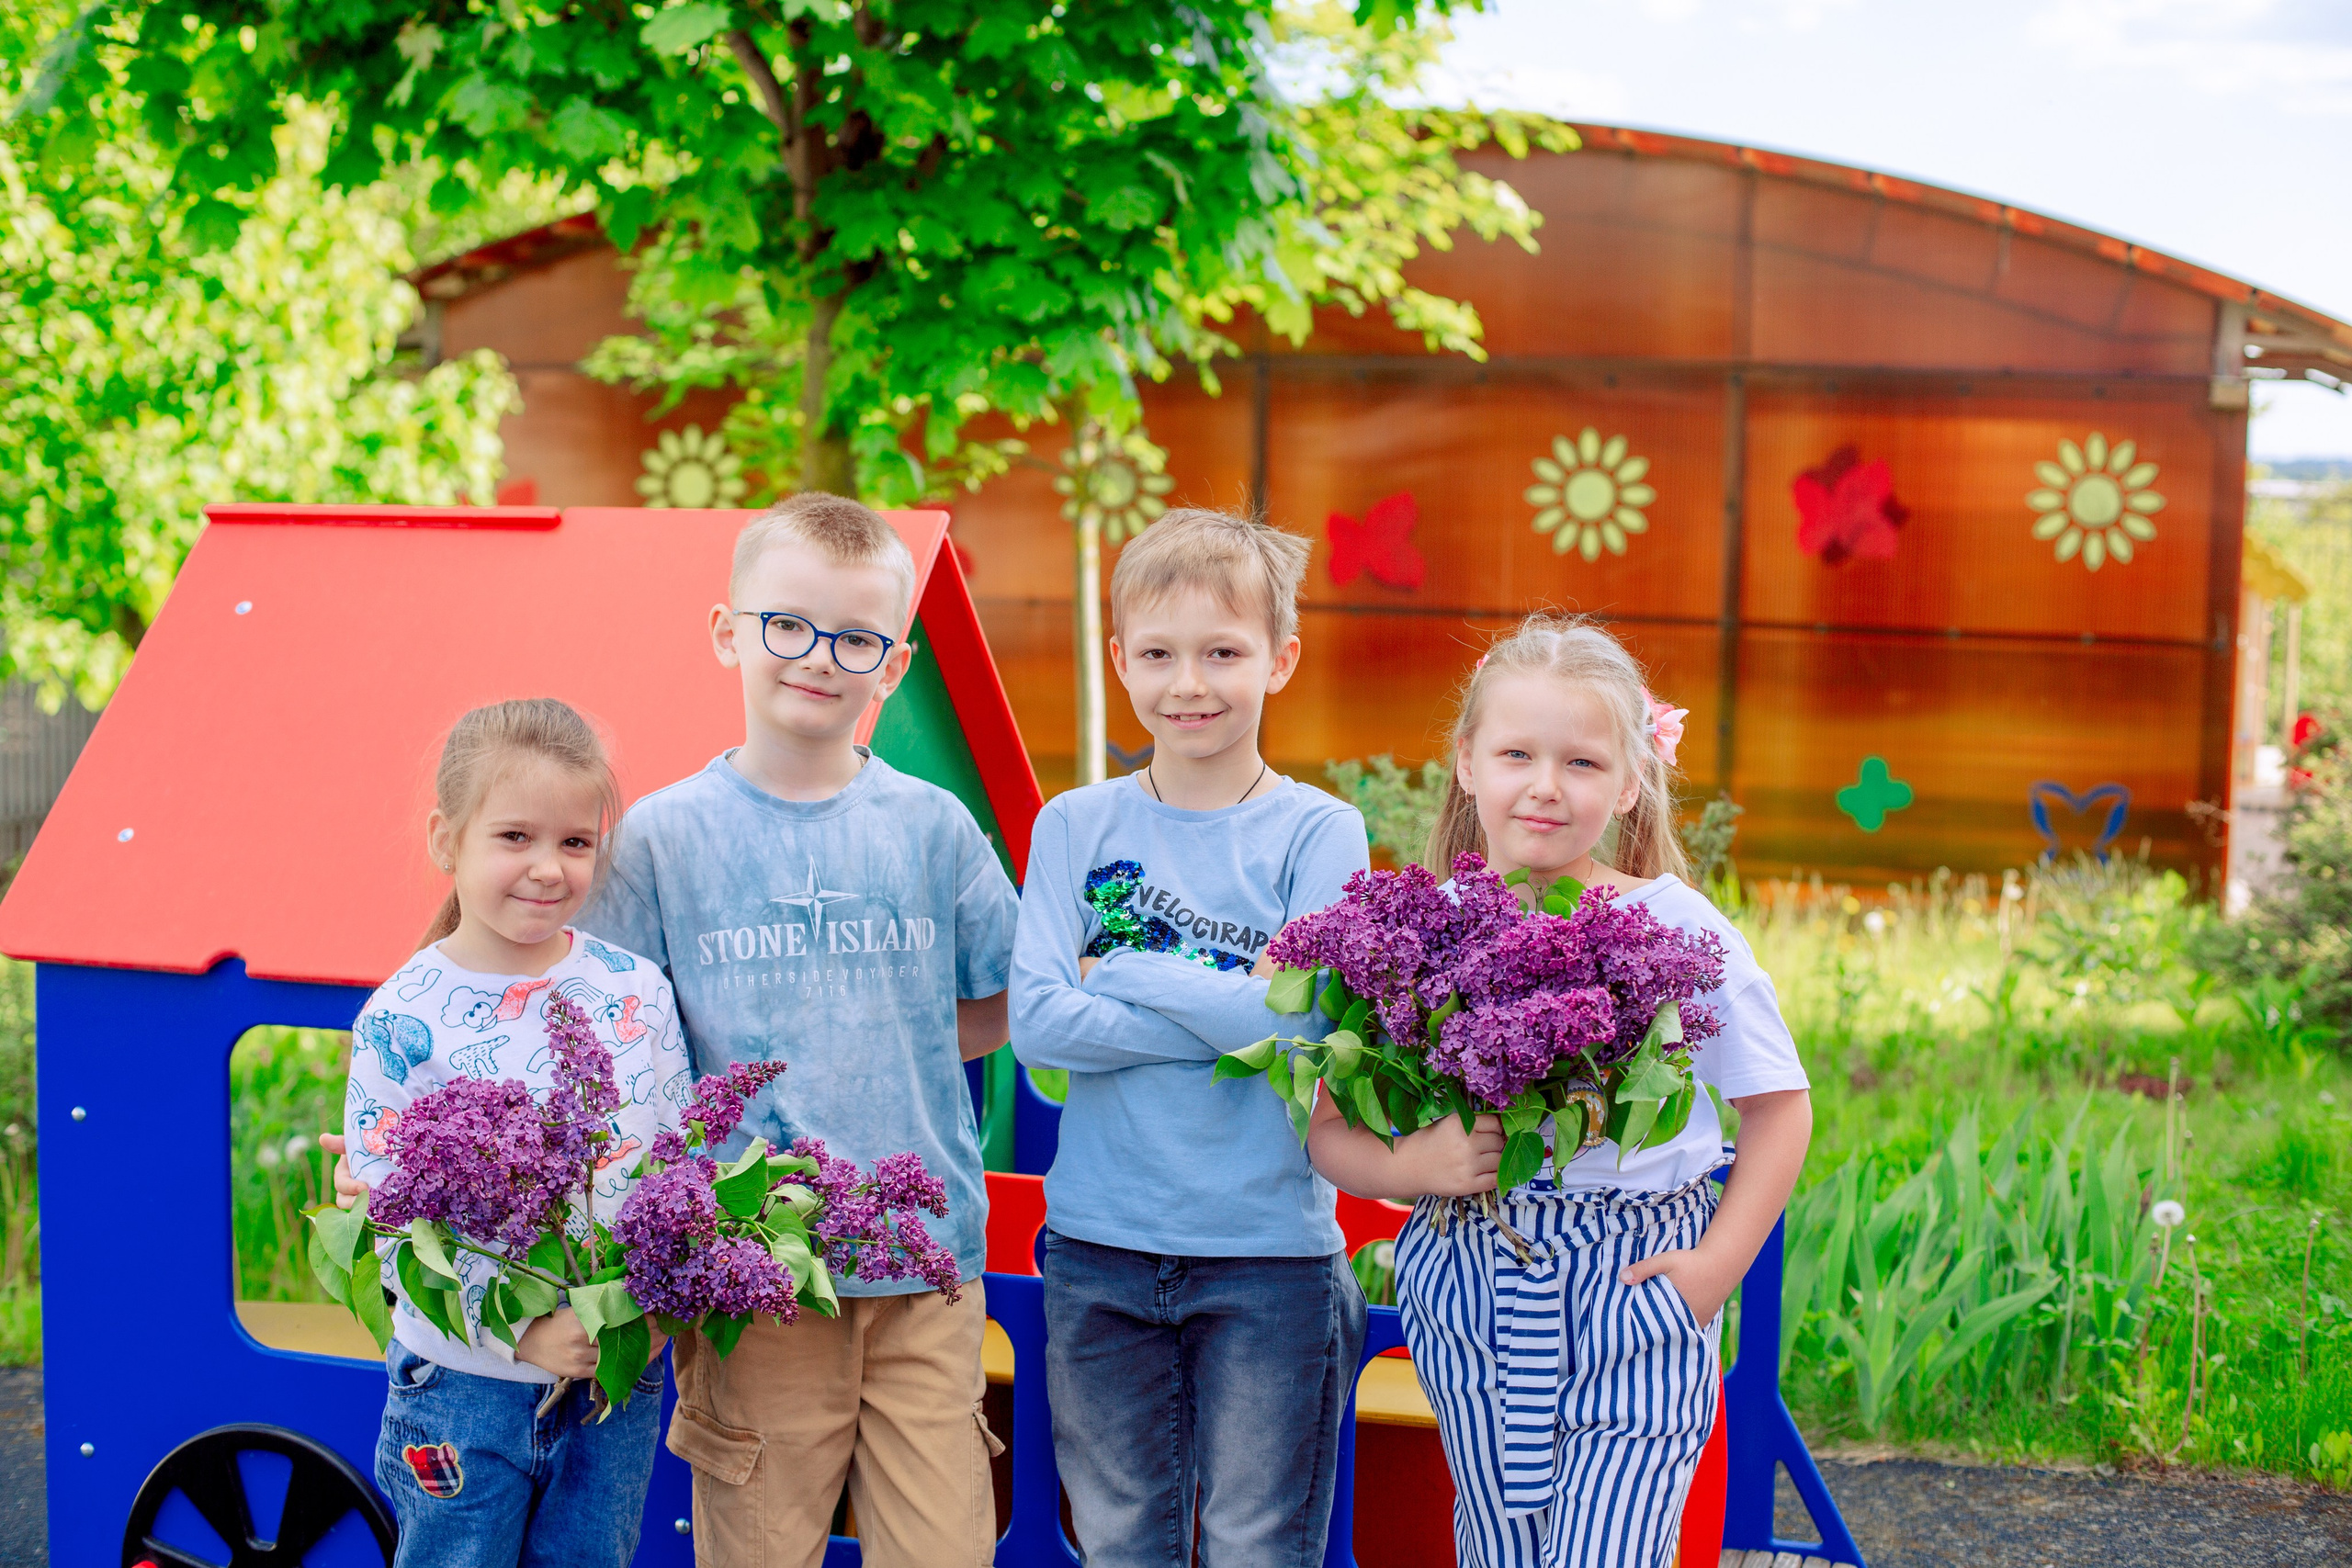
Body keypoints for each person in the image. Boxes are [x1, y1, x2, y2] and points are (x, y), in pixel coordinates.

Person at [1303, 613, 1814, 1568]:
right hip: (1472, 1279)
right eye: (1515, 754)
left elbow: (1779, 1108)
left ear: (1628, 783)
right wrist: (1410, 1164)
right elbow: (1326, 1132)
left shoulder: (1674, 929)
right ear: (1465, 763)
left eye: (1580, 763)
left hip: (1634, 1284)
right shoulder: (1420, 932)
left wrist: (1712, 1273)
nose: (1544, 786)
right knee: (1497, 1546)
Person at [580, 494, 1018, 1568]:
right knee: (764, 1547)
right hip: (756, 1279)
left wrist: (898, 1038)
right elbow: (612, 1041)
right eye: (788, 625)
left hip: (922, 1274)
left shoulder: (931, 827)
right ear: (728, 630)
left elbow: (1009, 994)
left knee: (943, 1547)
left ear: (894, 664)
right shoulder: (662, 840)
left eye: (855, 638)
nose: (818, 658)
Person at [1008, 508, 1371, 1567]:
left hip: (1267, 1260)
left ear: (1280, 659)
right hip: (1097, 1250)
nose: (1189, 684)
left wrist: (1120, 972)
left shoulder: (1318, 832)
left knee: (1258, 1541)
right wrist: (1229, 1010)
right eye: (1159, 655)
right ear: (1120, 661)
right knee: (1123, 1538)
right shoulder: (1075, 824)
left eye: (1223, 652)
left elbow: (1305, 1023)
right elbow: (1038, 1025)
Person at [345, 697, 691, 1568]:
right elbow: (393, 1233)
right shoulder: (400, 1020)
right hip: (463, 1393)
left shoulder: (635, 992)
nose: (547, 868)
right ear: (446, 839)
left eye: (575, 842)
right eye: (514, 837)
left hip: (615, 1386)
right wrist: (521, 1335)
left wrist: (658, 1306)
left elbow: (682, 1161)